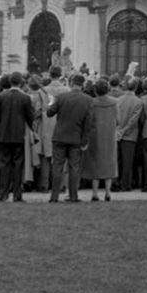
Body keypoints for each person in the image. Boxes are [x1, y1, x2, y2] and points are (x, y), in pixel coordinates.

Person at [47, 75, 93, 204]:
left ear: (71, 83)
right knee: (74, 167)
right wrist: (84, 141)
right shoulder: (88, 100)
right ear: (82, 85)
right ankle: (73, 195)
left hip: (59, 136)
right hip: (75, 138)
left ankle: (54, 196)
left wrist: (51, 102)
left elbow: (49, 113)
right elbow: (88, 124)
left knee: (57, 167)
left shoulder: (61, 98)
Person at [0, 73, 38, 202]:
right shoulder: (25, 98)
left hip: (3, 135)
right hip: (19, 134)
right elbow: (31, 117)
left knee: (4, 165)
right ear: (21, 83)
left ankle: (3, 194)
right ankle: (17, 194)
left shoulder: (1, 97)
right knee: (18, 165)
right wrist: (31, 128)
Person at [85, 78, 119, 201]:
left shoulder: (91, 103)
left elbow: (88, 120)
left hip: (95, 135)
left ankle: (94, 193)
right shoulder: (115, 102)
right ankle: (108, 192)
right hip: (109, 134)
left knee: (95, 163)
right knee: (109, 162)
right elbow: (118, 119)